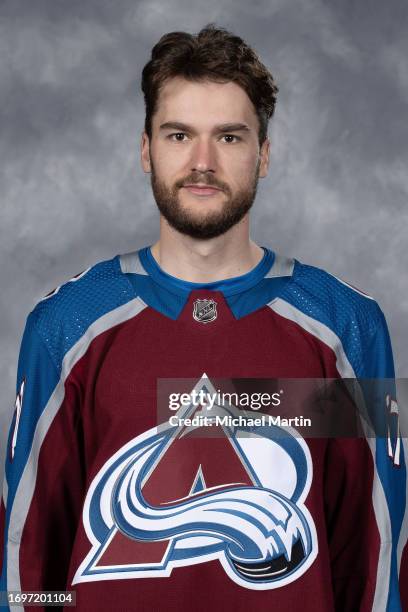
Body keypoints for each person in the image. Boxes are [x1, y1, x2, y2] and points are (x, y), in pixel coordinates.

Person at [0, 24, 406, 612]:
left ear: (264, 154)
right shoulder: (65, 327)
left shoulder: (350, 328)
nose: (202, 162)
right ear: (146, 150)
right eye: (179, 134)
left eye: (231, 138)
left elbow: (377, 552)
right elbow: (28, 558)